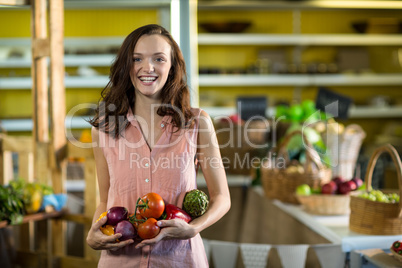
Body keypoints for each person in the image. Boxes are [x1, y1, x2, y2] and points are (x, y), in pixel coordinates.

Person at [86, 24, 231, 267]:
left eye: (159, 59)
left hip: (179, 258)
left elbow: (222, 197)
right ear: (126, 65)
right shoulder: (103, 129)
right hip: (121, 260)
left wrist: (193, 228)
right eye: (137, 58)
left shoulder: (197, 123)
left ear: (172, 67)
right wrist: (94, 234)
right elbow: (105, 201)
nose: (147, 67)